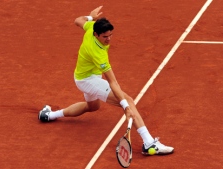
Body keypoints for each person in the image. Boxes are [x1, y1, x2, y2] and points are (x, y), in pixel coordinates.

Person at [38, 6, 174, 155]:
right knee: (128, 100)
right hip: (87, 80)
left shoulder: (91, 28)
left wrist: (91, 17)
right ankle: (148, 143)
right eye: (105, 37)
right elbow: (113, 82)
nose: (108, 39)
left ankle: (49, 115)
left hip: (83, 77)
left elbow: (78, 20)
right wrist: (125, 106)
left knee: (92, 107)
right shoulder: (98, 54)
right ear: (96, 35)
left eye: (110, 35)